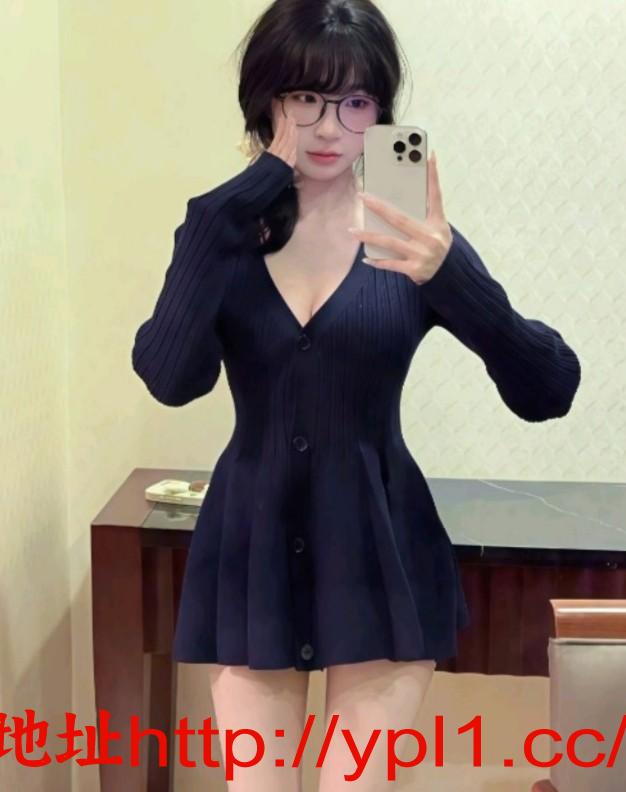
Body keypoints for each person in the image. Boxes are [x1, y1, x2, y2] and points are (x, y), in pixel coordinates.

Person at [131, 1, 581, 789]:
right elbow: (172, 379)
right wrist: (221, 218)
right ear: (266, 99)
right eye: (306, 97)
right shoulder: (222, 237)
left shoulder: (410, 241)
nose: (330, 126)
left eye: (356, 101)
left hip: (380, 550)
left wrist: (453, 276)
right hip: (252, 551)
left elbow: (550, 388)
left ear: (381, 113)